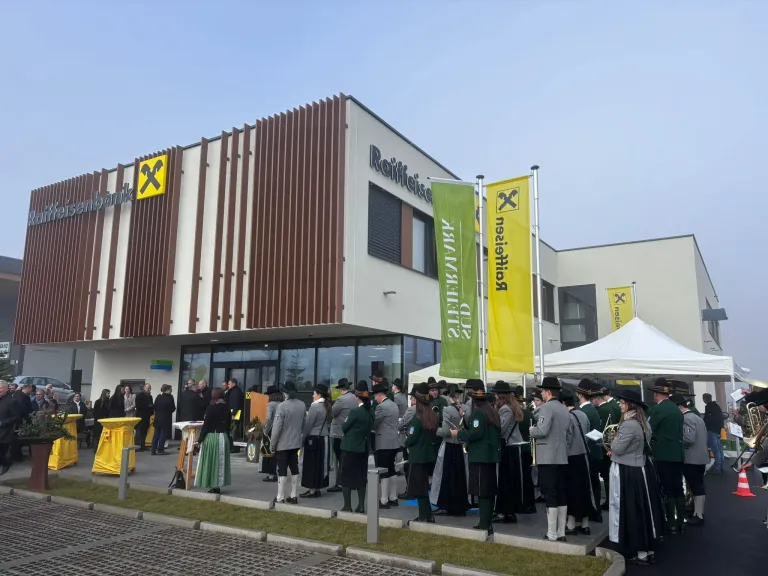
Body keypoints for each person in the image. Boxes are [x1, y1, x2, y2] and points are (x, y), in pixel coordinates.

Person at [607, 388, 662, 566]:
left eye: (623, 403)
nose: (620, 405)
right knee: (643, 511)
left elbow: (618, 449)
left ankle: (640, 552)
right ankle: (647, 549)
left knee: (634, 512)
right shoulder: (642, 422)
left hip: (630, 472)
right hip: (639, 469)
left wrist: (614, 441)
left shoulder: (629, 424)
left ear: (630, 405)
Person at [450, 383, 500, 532]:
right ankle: (487, 522)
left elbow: (476, 434)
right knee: (489, 491)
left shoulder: (479, 413)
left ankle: (484, 524)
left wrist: (458, 434)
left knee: (482, 491)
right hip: (490, 456)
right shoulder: (492, 412)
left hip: (479, 456)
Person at [529, 377, 572, 542]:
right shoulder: (563, 409)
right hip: (562, 456)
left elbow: (542, 430)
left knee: (550, 493)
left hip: (547, 457)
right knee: (561, 493)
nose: (541, 393)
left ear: (548, 392)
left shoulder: (547, 408)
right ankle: (561, 532)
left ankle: (552, 533)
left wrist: (532, 430)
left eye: (542, 391)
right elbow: (569, 435)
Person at [647, 378, 686, 534]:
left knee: (667, 488)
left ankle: (670, 521)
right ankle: (680, 521)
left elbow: (648, 430)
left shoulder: (657, 410)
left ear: (657, 394)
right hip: (678, 453)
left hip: (663, 453)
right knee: (678, 488)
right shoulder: (676, 409)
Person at [561, 390, 597, 536]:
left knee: (572, 491)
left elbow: (567, 439)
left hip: (571, 457)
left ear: (563, 403)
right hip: (584, 456)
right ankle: (585, 524)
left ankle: (570, 524)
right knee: (585, 491)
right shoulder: (583, 415)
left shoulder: (567, 417)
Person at [432, 384, 469, 516]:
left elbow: (446, 431)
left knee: (446, 477)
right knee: (461, 476)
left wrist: (434, 430)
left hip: (450, 445)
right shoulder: (466, 408)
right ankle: (461, 505)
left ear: (449, 396)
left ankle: (446, 505)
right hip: (462, 446)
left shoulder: (447, 410)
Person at [672, 394, 708, 526]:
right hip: (700, 457)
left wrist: (675, 441)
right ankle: (697, 512)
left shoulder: (686, 419)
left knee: (696, 486)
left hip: (692, 458)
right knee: (697, 485)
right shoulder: (697, 417)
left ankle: (698, 514)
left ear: (680, 407)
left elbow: (688, 439)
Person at [339, 380, 375, 513]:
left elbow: (344, 427)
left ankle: (347, 506)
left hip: (350, 448)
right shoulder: (371, 411)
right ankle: (361, 505)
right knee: (361, 477)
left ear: (358, 396)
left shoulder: (355, 412)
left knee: (346, 476)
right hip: (363, 448)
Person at [491, 381, 524, 523]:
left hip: (508, 447)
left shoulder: (505, 409)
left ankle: (505, 512)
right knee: (511, 481)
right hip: (514, 447)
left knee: (505, 482)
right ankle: (509, 511)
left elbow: (501, 429)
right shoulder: (513, 406)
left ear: (501, 395)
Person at [270, 381, 306, 504]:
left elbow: (277, 427)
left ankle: (280, 496)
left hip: (283, 443)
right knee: (294, 467)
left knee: (282, 470)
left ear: (285, 393)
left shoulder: (282, 406)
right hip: (296, 442)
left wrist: (272, 444)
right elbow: (304, 425)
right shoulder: (302, 405)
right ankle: (294, 495)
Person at [407, 383, 439, 524]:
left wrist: (406, 443)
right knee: (424, 486)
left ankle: (423, 515)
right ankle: (428, 515)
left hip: (418, 456)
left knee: (419, 488)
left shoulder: (417, 419)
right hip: (428, 455)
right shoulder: (432, 416)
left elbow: (411, 438)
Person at [575, 379, 603, 523]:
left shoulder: (584, 411)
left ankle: (594, 512)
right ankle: (595, 511)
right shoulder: (592, 409)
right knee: (594, 485)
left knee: (590, 485)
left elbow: (592, 434)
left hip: (589, 452)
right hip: (595, 452)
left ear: (580, 394)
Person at [194, 387, 232, 494]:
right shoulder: (226, 407)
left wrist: (200, 439)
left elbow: (206, 425)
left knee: (211, 462)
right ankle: (218, 484)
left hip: (212, 437)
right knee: (220, 463)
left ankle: (213, 485)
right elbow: (229, 424)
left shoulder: (211, 408)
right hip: (223, 437)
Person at [300, 383, 332, 498]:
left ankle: (312, 490)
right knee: (320, 465)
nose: (312, 396)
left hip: (314, 438)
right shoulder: (327, 405)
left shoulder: (314, 406)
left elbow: (309, 425)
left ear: (318, 394)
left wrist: (302, 439)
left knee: (311, 465)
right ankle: (317, 488)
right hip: (324, 438)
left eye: (314, 393)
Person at [373, 379, 401, 508]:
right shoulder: (394, 405)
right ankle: (393, 497)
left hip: (383, 442)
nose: (375, 398)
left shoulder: (381, 407)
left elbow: (375, 424)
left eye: (375, 396)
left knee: (383, 470)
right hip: (394, 442)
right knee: (392, 469)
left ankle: (383, 500)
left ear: (379, 395)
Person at [592, 385, 619, 511]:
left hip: (605, 446)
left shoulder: (603, 409)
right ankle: (610, 500)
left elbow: (603, 429)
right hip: (613, 444)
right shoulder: (613, 406)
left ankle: (609, 501)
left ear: (597, 398)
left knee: (607, 475)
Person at [329, 378, 355, 492]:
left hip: (338, 433)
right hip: (350, 433)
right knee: (349, 459)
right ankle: (350, 482)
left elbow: (331, 413)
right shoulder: (354, 398)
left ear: (341, 389)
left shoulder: (340, 400)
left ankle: (339, 483)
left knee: (339, 460)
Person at [515, 385, 536, 514]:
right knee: (528, 478)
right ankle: (531, 503)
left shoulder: (518, 415)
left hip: (521, 448)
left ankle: (524, 503)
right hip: (529, 448)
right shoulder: (530, 414)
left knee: (522, 479)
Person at [260, 385, 283, 483]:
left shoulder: (271, 404)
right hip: (281, 429)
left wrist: (265, 430)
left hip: (271, 430)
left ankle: (271, 474)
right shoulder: (282, 403)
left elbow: (269, 418)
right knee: (277, 452)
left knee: (269, 451)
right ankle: (277, 472)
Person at [702, 392, 725, 474]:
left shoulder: (709, 407)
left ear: (705, 399)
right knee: (719, 448)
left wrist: (704, 424)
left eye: (703, 398)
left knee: (715, 449)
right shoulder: (716, 406)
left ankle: (717, 467)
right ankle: (721, 465)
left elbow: (706, 419)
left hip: (712, 430)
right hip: (718, 430)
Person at [0, 381, 19, 476]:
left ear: (6, 389)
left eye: (1, 388)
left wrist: (3, 423)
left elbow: (16, 417)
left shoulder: (11, 401)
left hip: (4, 432)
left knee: (1, 453)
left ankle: (6, 463)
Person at [152, 384, 176, 456]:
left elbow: (155, 406)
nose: (171, 391)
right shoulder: (170, 398)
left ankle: (153, 449)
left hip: (158, 418)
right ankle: (160, 449)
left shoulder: (158, 397)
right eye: (170, 389)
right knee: (163, 435)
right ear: (167, 390)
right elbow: (173, 408)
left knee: (156, 435)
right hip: (166, 418)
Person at [225, 378, 245, 447]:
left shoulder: (236, 392)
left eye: (229, 384)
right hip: (235, 412)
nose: (228, 386)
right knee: (233, 428)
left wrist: (233, 414)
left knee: (233, 428)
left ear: (234, 384)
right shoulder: (233, 391)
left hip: (236, 412)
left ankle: (233, 445)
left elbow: (236, 404)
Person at [135, 383, 154, 452]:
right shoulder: (140, 395)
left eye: (149, 388)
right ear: (144, 388)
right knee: (140, 431)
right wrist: (148, 406)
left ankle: (143, 446)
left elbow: (151, 405)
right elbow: (138, 405)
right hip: (141, 416)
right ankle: (138, 446)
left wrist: (151, 410)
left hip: (147, 416)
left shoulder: (150, 396)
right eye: (147, 388)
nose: (148, 389)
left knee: (145, 431)